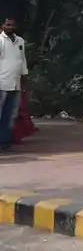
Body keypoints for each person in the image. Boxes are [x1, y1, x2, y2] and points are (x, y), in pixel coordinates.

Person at [0, 16, 29, 152]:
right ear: (3, 26)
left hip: (15, 82)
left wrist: (24, 76)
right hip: (2, 82)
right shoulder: (0, 41)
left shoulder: (20, 41)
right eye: (8, 25)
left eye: (13, 25)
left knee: (10, 114)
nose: (10, 27)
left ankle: (5, 140)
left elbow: (22, 60)